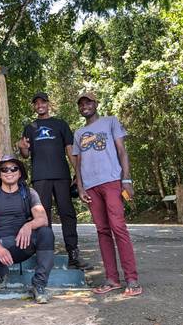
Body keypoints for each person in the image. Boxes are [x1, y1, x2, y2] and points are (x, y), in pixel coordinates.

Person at [73, 92, 142, 297]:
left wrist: (126, 179)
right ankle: (112, 278)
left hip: (111, 181)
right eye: (81, 104)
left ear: (96, 104)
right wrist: (81, 187)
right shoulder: (79, 133)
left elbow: (122, 151)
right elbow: (78, 164)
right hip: (91, 186)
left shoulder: (111, 122)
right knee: (102, 231)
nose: (85, 106)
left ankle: (132, 279)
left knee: (118, 227)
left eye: (88, 102)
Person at [18, 92, 92, 271]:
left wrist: (78, 175)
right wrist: (22, 148)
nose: (39, 105)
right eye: (36, 103)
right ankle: (45, 254)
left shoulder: (60, 124)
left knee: (67, 213)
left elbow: (70, 150)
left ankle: (73, 254)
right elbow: (26, 154)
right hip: (40, 177)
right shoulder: (30, 127)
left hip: (62, 176)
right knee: (43, 217)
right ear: (34, 107)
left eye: (43, 102)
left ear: (48, 104)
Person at [0, 155, 55, 304]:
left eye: (14, 168)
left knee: (46, 232)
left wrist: (28, 225)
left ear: (20, 173)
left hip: (22, 244)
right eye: (4, 169)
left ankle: (39, 284)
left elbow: (43, 219)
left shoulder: (29, 193)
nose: (9, 171)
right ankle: (1, 273)